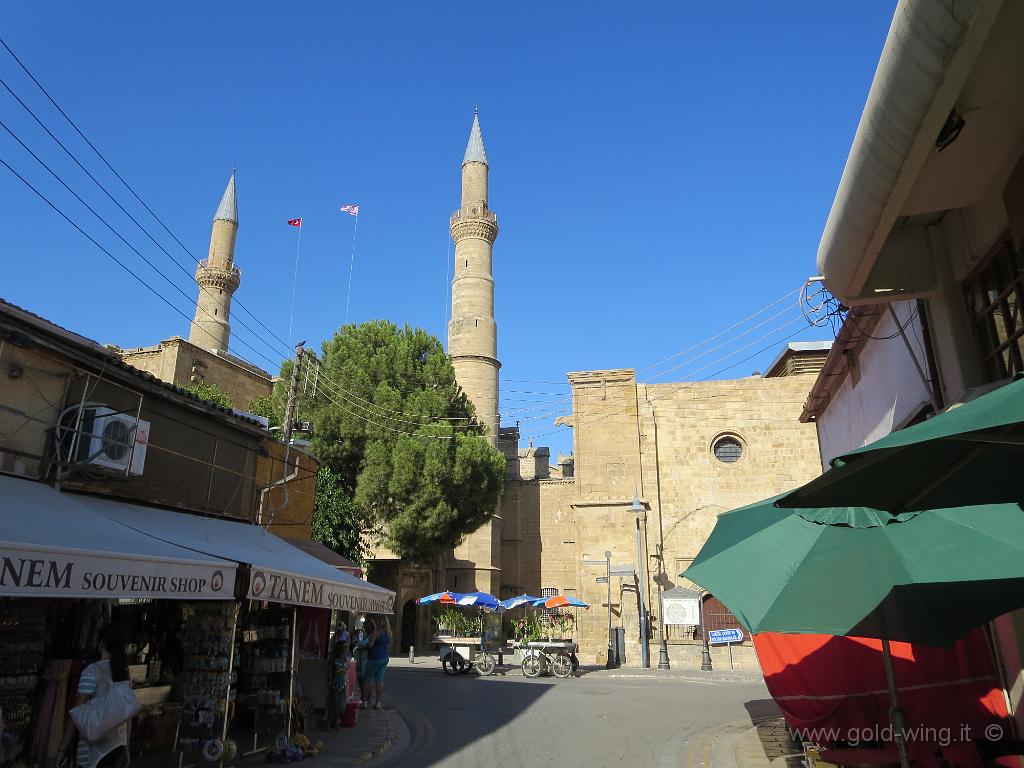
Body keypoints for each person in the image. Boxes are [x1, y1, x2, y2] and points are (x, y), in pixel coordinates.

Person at [58, 625, 131, 768]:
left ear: (101, 643)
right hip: (118, 748)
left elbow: (77, 714)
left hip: (93, 753)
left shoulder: (92, 671)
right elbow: (128, 717)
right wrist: (126, 748)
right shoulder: (124, 673)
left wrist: (62, 748)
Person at [324, 628, 350, 729]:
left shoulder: (344, 659)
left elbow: (346, 671)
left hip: (342, 684)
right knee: (333, 704)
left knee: (341, 705)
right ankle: (328, 723)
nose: (344, 650)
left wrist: (346, 682)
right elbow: (330, 671)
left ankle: (336, 722)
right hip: (335, 684)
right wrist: (330, 680)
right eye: (343, 648)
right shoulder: (334, 659)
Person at [363, 617, 391, 710]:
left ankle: (365, 702)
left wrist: (363, 647)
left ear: (379, 622)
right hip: (385, 657)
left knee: (367, 679)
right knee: (379, 680)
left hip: (374, 658)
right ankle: (378, 702)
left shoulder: (376, 632)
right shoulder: (388, 633)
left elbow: (370, 645)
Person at [352, 620, 370, 709]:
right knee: (359, 676)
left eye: (365, 626)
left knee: (365, 678)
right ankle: (363, 695)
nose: (363, 627)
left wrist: (357, 642)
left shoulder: (371, 635)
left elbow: (365, 644)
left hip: (365, 658)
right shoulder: (361, 633)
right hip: (358, 657)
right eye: (363, 626)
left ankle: (366, 698)